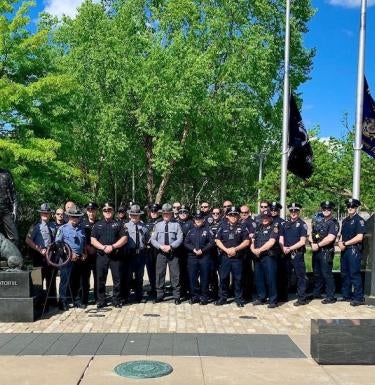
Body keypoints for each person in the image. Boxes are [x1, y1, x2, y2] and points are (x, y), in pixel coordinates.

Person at [91, 202, 128, 308]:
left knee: (117, 279)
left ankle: (116, 300)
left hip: (115, 255)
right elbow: (93, 240)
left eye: (109, 210)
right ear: (102, 212)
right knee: (100, 278)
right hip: (102, 255)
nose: (107, 212)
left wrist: (113, 246)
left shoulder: (119, 224)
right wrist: (103, 247)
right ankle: (101, 301)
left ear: (113, 211)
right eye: (105, 210)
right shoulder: (97, 225)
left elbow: (124, 238)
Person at [215, 206, 250, 307]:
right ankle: (222, 298)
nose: (233, 217)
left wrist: (235, 249)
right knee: (223, 277)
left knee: (238, 279)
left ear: (238, 216)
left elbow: (247, 241)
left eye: (235, 215)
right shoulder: (222, 226)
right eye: (231, 215)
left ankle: (239, 299)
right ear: (227, 216)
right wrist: (226, 250)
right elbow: (217, 240)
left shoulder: (242, 227)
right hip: (225, 257)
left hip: (237, 257)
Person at [150, 203, 183, 304]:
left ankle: (177, 296)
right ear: (162, 214)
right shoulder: (157, 225)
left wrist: (171, 246)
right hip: (161, 253)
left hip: (173, 253)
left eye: (168, 213)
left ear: (171, 214)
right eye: (164, 214)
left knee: (175, 274)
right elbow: (153, 239)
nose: (166, 215)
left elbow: (180, 238)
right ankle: (159, 295)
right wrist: (160, 246)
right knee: (159, 274)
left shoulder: (176, 225)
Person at [26, 203, 57, 307]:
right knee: (37, 281)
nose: (45, 214)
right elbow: (28, 240)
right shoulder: (35, 226)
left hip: (50, 256)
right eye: (43, 212)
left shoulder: (53, 225)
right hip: (38, 256)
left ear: (49, 214)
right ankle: (37, 303)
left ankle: (51, 302)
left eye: (47, 213)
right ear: (40, 214)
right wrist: (39, 250)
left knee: (51, 280)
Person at [55, 205, 86, 311]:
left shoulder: (81, 229)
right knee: (65, 281)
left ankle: (77, 301)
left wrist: (84, 253)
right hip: (66, 259)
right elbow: (58, 244)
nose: (75, 219)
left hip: (78, 259)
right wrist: (69, 254)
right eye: (73, 217)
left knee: (77, 281)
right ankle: (62, 301)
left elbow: (84, 244)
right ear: (68, 217)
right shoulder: (62, 229)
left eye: (77, 217)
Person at [338, 198, 366, 306]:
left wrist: (345, 244)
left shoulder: (359, 220)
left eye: (352, 206)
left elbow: (359, 237)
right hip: (345, 250)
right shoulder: (345, 221)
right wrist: (340, 242)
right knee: (344, 273)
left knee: (354, 273)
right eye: (348, 206)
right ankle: (346, 295)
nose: (350, 208)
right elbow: (341, 235)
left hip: (354, 250)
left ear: (356, 208)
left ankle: (358, 298)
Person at [310, 201, 340, 304]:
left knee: (327, 274)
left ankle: (330, 296)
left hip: (326, 251)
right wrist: (312, 243)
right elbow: (313, 233)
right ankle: (317, 293)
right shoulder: (319, 221)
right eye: (324, 209)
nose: (326, 211)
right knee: (317, 273)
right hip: (317, 251)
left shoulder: (333, 222)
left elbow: (330, 238)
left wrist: (317, 245)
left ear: (332, 210)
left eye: (328, 209)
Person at [279, 203, 308, 306]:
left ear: (298, 212)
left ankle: (301, 298)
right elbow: (281, 238)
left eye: (295, 211)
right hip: (286, 253)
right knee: (284, 275)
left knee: (300, 276)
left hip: (297, 254)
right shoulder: (284, 224)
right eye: (291, 211)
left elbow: (302, 241)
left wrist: (290, 248)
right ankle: (283, 296)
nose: (293, 213)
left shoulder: (302, 224)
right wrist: (283, 247)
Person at [184, 210, 215, 305]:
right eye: (196, 218)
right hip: (192, 257)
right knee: (192, 277)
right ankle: (195, 296)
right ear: (194, 220)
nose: (198, 220)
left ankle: (204, 297)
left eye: (200, 218)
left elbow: (212, 242)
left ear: (203, 219)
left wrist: (203, 250)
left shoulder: (207, 230)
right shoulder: (191, 231)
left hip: (204, 257)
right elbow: (186, 242)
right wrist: (193, 249)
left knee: (204, 277)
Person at [251, 209, 279, 308]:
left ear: (270, 218)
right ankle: (261, 297)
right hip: (258, 257)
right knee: (259, 277)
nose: (265, 219)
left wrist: (259, 250)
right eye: (263, 217)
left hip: (268, 256)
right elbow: (252, 240)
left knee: (271, 278)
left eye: (267, 217)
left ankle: (273, 300)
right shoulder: (258, 227)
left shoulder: (274, 227)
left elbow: (271, 242)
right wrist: (253, 250)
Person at [123, 204, 149, 303]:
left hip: (141, 254)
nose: (134, 217)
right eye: (133, 215)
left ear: (139, 216)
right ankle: (127, 296)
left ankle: (139, 296)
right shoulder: (125, 226)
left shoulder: (144, 227)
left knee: (139, 276)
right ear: (130, 215)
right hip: (130, 254)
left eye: (136, 215)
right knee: (128, 276)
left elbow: (147, 239)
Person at [80, 202, 99, 304]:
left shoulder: (100, 223)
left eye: (93, 210)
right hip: (86, 255)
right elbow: (80, 239)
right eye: (89, 210)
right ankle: (84, 299)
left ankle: (98, 298)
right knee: (84, 279)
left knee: (98, 278)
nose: (91, 212)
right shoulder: (82, 224)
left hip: (97, 255)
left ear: (96, 211)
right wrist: (87, 248)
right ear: (86, 211)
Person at [269, 201, 287, 302]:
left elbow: (283, 236)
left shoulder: (282, 222)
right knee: (272, 275)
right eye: (271, 209)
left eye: (275, 210)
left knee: (281, 274)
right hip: (270, 252)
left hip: (279, 251)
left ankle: (282, 296)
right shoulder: (267, 220)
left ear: (279, 211)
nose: (273, 211)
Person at [240, 205, 256, 302]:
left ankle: (247, 295)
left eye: (245, 212)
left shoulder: (251, 223)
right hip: (240, 251)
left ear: (249, 212)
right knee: (240, 273)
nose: (244, 214)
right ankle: (241, 293)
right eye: (242, 213)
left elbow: (252, 236)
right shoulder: (240, 221)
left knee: (246, 273)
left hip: (248, 251)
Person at [145, 203, 161, 298]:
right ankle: (152, 287)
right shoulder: (147, 222)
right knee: (150, 269)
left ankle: (158, 289)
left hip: (158, 249)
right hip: (149, 250)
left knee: (158, 270)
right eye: (152, 211)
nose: (153, 213)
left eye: (155, 211)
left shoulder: (162, 222)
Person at [177, 205, 193, 298]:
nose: (183, 214)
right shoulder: (175, 222)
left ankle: (190, 290)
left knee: (189, 271)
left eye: (185, 212)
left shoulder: (191, 223)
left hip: (188, 250)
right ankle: (182, 290)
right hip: (179, 250)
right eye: (181, 212)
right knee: (180, 271)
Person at [0, 168, 19, 245]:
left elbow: (13, 192)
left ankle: (13, 256)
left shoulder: (6, 174)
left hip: (6, 209)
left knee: (15, 238)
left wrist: (15, 209)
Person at [208, 207, 222, 299]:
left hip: (221, 251)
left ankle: (222, 293)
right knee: (212, 273)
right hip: (211, 252)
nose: (215, 215)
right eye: (214, 213)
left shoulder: (224, 223)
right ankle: (214, 292)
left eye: (217, 213)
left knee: (222, 274)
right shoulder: (208, 224)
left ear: (220, 214)